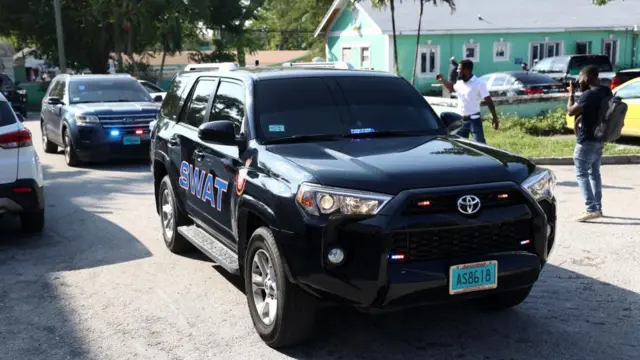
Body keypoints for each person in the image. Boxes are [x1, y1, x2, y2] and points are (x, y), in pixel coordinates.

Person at [567, 65, 612, 222]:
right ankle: (597, 207)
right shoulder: (606, 91)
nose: (579, 80)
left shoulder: (588, 95)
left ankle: (591, 209)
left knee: (581, 174)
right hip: (600, 138)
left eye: (580, 77)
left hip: (586, 140)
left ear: (586, 78)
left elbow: (571, 111)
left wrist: (571, 93)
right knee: (595, 173)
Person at [437, 59, 499, 143]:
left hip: (474, 120)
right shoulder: (460, 82)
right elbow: (452, 88)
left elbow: (489, 101)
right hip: (461, 121)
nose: (457, 71)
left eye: (459, 69)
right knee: (461, 146)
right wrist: (442, 80)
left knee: (480, 146)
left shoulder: (479, 83)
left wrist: (495, 118)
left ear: (466, 70)